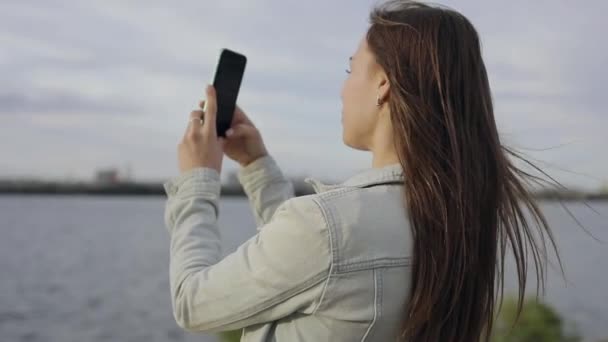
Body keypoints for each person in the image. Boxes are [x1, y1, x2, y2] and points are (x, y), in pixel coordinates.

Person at [163, 1, 562, 341]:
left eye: (350, 69)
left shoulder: (331, 228)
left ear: (383, 84)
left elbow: (192, 301)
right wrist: (256, 165)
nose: (343, 87)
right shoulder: (456, 213)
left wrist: (198, 180)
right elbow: (317, 265)